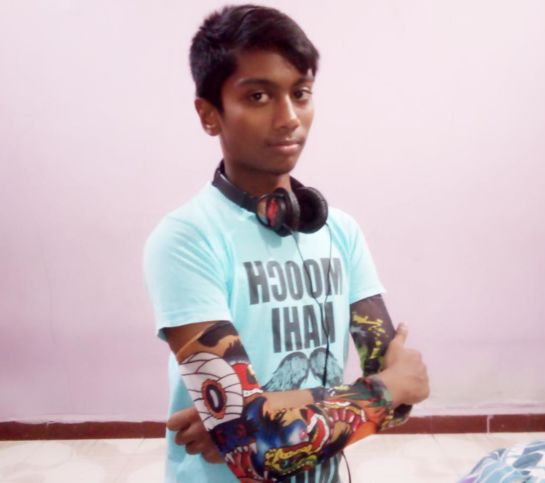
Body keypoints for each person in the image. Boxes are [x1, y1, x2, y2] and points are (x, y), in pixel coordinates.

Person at [143, 5, 430, 482]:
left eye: (300, 93)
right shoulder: (185, 240)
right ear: (209, 115)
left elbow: (405, 397)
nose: (289, 118)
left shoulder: (340, 232)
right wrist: (246, 427)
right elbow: (251, 449)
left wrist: (255, 416)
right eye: (258, 96)